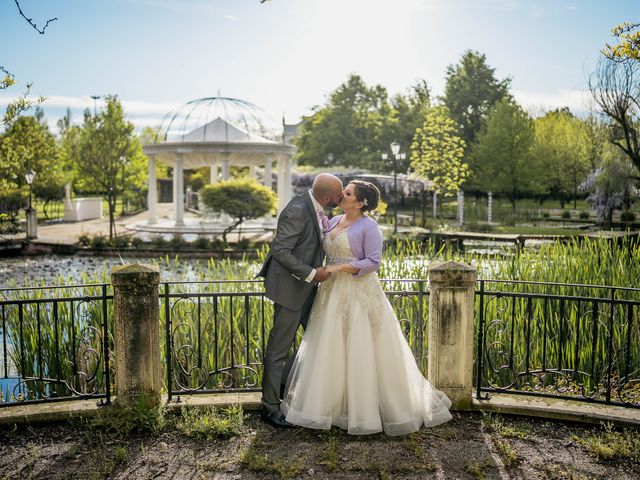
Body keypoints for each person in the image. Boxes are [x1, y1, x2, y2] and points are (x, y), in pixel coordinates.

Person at [281, 180, 452, 436]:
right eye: (343, 191)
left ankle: (368, 410)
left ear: (360, 203)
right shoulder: (333, 220)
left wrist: (336, 268)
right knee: (331, 346)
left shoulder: (369, 226)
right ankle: (331, 406)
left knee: (362, 345)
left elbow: (373, 262)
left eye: (347, 193)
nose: (342, 195)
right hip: (331, 293)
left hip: (358, 292)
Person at [256, 173, 344, 428]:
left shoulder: (315, 207)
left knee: (320, 339)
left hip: (308, 290)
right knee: (278, 349)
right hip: (290, 289)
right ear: (328, 197)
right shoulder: (297, 210)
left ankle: (286, 381)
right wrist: (312, 273)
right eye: (339, 195)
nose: (341, 198)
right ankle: (270, 407)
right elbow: (280, 250)